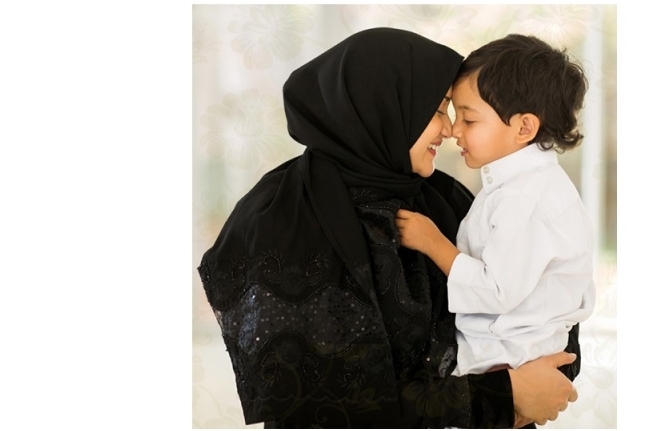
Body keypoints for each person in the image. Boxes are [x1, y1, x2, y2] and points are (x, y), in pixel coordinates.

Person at [198, 28, 578, 429]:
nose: (450, 130)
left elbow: (548, 303)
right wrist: (503, 396)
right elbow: (324, 403)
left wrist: (538, 385)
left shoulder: (443, 199)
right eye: (439, 110)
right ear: (386, 107)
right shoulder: (285, 220)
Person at [396, 34, 596, 380]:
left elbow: (497, 291)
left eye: (469, 120)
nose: (454, 131)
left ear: (524, 127)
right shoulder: (522, 187)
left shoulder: (525, 199)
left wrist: (432, 242)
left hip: (509, 358)